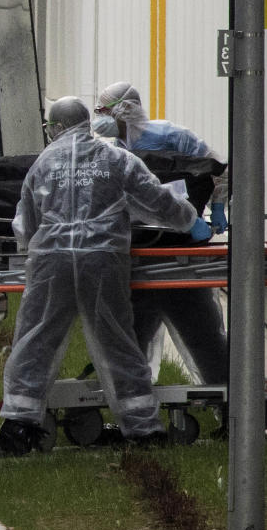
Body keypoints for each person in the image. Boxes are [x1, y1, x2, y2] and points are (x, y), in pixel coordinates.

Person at [0, 96, 210, 457]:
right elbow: (157, 201)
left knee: (36, 341)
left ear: (55, 127)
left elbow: (24, 226)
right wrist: (190, 220)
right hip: (103, 261)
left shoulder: (43, 163)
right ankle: (143, 429)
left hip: (51, 262)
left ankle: (18, 428)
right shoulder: (116, 159)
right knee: (117, 342)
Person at [94, 81, 229, 385]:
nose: (98, 117)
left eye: (103, 111)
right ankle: (135, 410)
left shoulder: (172, 136)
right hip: (139, 254)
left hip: (178, 255)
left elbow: (218, 170)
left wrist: (218, 208)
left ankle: (227, 406)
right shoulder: (114, 151)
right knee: (132, 343)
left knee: (203, 338)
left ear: (124, 110)